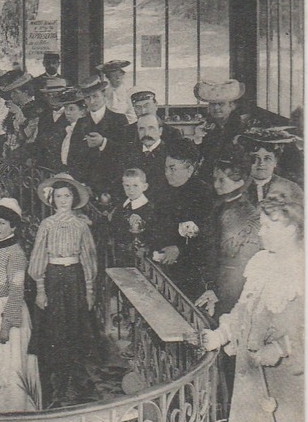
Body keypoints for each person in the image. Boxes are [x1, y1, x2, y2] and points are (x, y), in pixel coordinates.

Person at [202, 184, 304, 422]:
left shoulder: (307, 268)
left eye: (269, 226)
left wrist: (282, 347)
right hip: (251, 378)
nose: (261, 233)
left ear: (291, 228)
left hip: (287, 381)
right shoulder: (261, 262)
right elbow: (243, 309)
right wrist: (221, 335)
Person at [28, 174, 98, 405]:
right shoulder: (46, 225)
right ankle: (55, 386)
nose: (63, 200)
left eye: (67, 196)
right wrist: (40, 289)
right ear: (52, 200)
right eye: (59, 196)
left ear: (74, 198)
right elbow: (39, 258)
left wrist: (88, 291)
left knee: (76, 329)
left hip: (75, 277)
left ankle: (77, 383)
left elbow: (88, 259)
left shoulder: (81, 225)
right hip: (53, 279)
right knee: (54, 330)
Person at [0, 198, 41, 411]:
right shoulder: (0, 247)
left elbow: (16, 291)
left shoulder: (16, 253)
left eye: (2, 223)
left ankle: (12, 409)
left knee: (8, 364)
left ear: (13, 226)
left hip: (6, 315)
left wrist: (6, 325)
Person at [200, 150, 262, 319]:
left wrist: (217, 290)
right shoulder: (221, 206)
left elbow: (234, 260)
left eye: (222, 180)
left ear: (240, 181)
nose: (216, 185)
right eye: (215, 180)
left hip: (230, 287)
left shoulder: (242, 213)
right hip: (216, 281)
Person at [150, 136, 213, 301]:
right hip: (161, 264)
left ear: (190, 169)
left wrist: (180, 249)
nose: (167, 173)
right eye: (166, 168)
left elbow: (207, 238)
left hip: (190, 271)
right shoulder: (162, 190)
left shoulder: (203, 194)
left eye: (173, 169)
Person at [77, 73, 127, 193]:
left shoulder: (119, 119)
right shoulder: (81, 123)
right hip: (87, 186)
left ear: (104, 95)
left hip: (113, 184)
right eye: (88, 98)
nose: (92, 101)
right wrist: (82, 183)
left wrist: (103, 142)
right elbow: (73, 155)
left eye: (95, 96)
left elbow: (126, 151)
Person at [193, 79, 248, 178]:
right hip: (209, 174)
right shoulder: (204, 127)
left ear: (231, 106)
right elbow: (196, 155)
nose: (216, 108)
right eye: (213, 104)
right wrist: (197, 140)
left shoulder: (242, 128)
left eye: (221, 104)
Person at [240, 128, 303, 205]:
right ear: (247, 160)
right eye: (256, 158)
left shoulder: (292, 189)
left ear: (275, 162)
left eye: (267, 158)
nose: (261, 163)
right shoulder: (237, 186)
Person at [109, 168, 156, 267]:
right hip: (119, 255)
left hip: (139, 260)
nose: (131, 190)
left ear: (144, 186)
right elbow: (113, 227)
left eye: (135, 186)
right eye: (127, 186)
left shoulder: (150, 209)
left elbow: (153, 235)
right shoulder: (121, 206)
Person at [126, 113, 170, 202]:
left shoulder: (170, 153)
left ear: (160, 131)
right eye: (142, 129)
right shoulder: (129, 153)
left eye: (151, 128)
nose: (146, 133)